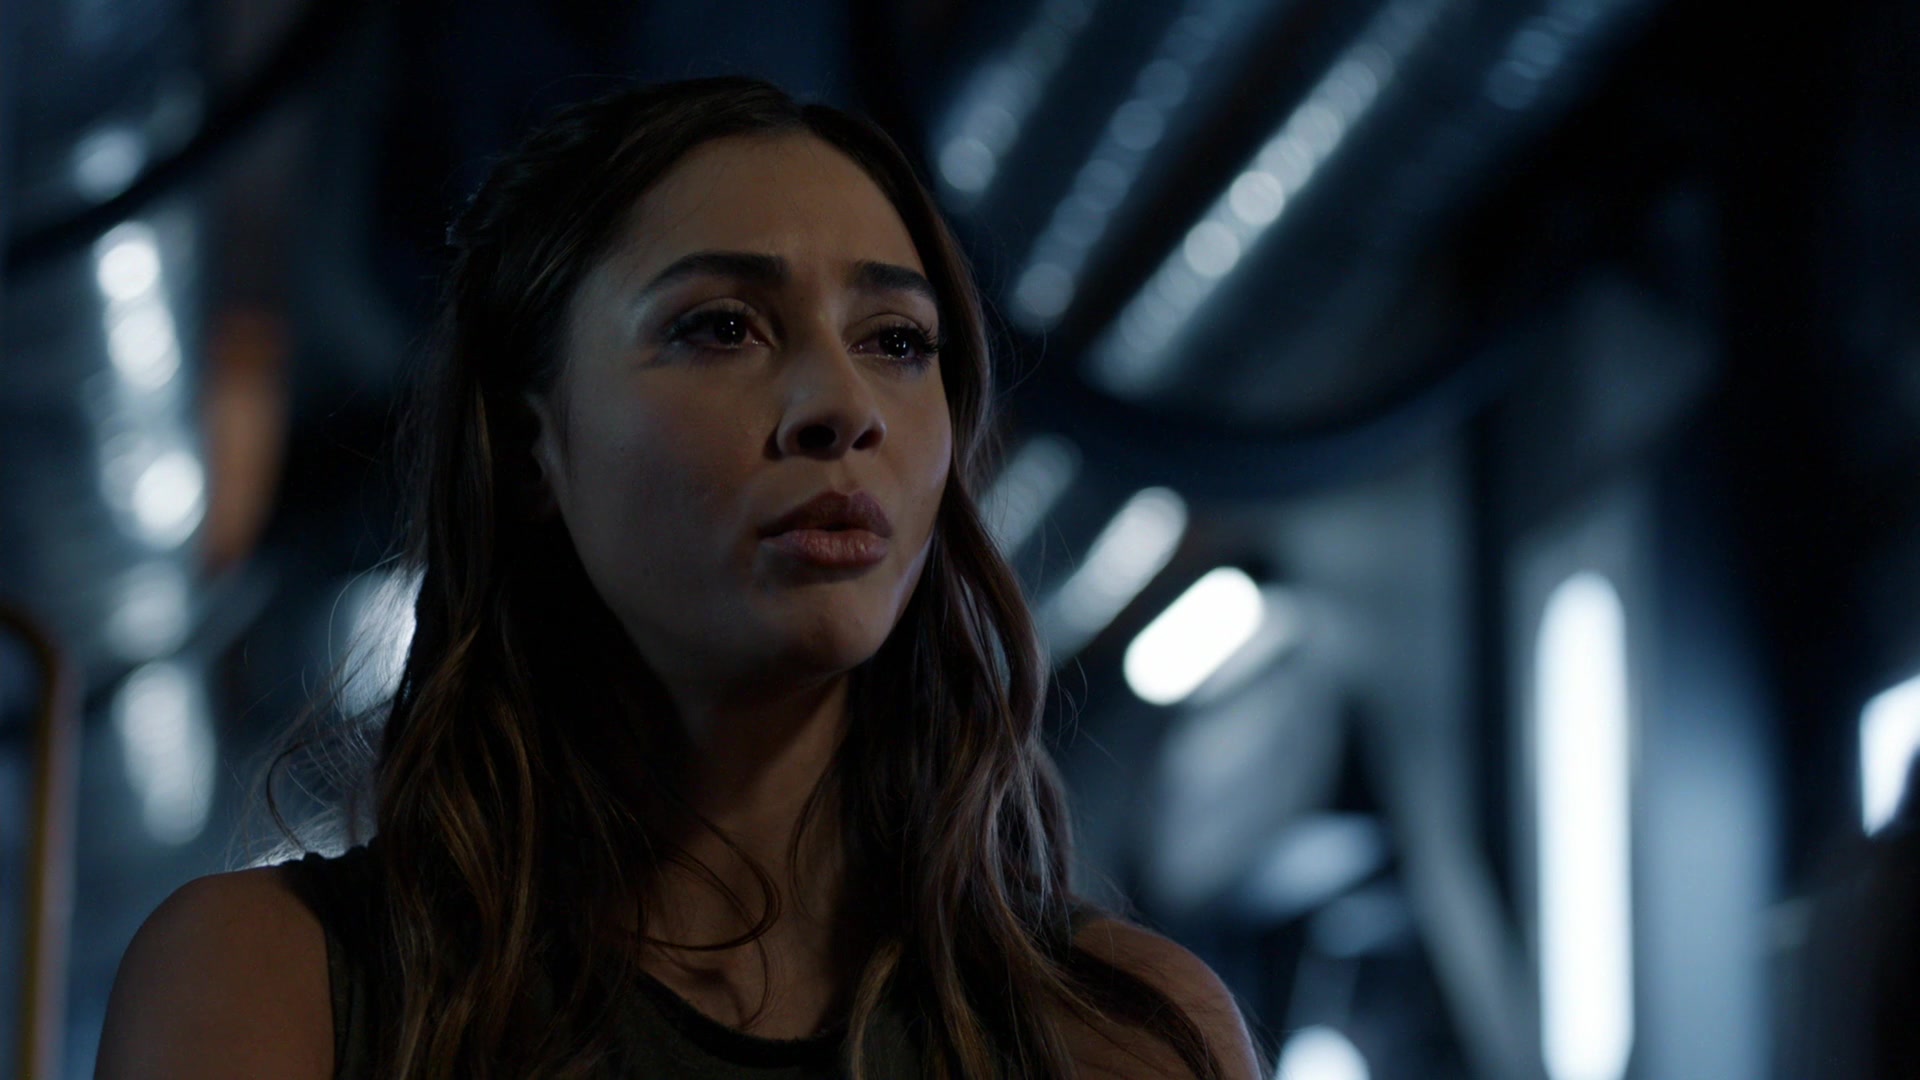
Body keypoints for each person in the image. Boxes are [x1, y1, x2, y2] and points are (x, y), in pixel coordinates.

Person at [93, 76, 1267, 1079]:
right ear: (535, 445)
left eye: (898, 341)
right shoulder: (275, 983)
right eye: (722, 326)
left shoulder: (1125, 1037)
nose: (843, 406)